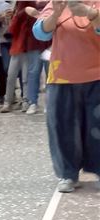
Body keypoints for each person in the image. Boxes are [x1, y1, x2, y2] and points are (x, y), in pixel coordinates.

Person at [34, 0, 100, 193]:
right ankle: (68, 174)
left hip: (97, 76)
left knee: (97, 128)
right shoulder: (58, 2)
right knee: (63, 127)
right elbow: (39, 32)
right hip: (62, 76)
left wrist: (91, 14)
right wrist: (56, 14)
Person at [23, 2, 50, 115]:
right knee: (33, 72)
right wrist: (26, 10)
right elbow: (21, 14)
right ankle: (32, 102)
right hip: (33, 41)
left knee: (51, 74)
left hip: (50, 42)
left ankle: (49, 102)